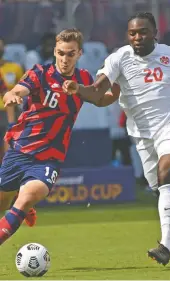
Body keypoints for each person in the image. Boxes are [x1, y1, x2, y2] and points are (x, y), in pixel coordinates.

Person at [62, 12, 170, 266]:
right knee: (168, 193)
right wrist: (77, 89)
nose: (137, 37)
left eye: (143, 32)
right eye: (132, 33)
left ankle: (165, 246)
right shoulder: (118, 58)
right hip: (142, 135)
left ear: (154, 32)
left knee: (167, 174)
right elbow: (97, 93)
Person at [0, 28, 93, 245]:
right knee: (4, 201)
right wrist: (12, 95)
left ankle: (22, 205)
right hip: (20, 151)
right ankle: (17, 202)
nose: (65, 59)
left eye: (70, 54)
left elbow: (100, 97)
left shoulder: (84, 79)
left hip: (50, 158)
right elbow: (18, 90)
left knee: (28, 198)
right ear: (54, 51)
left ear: (79, 54)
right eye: (61, 53)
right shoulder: (39, 73)